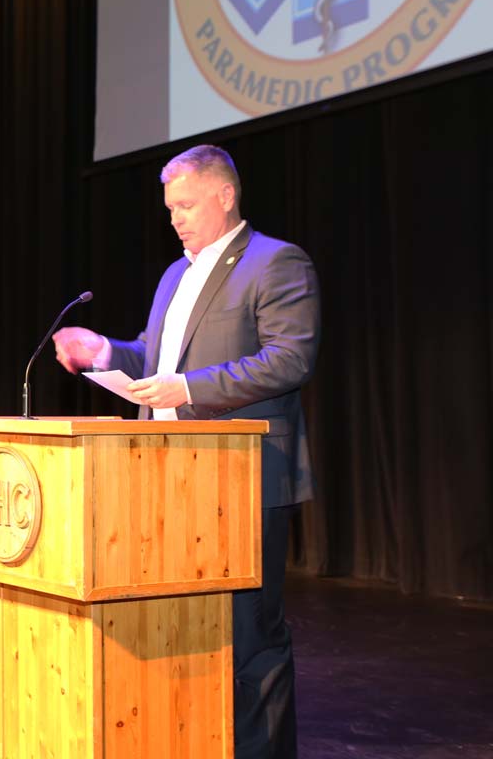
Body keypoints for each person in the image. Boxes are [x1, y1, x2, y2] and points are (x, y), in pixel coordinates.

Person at [53, 144, 319, 759]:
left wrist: (191, 389)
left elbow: (290, 358)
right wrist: (103, 352)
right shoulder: (175, 274)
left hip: (244, 475)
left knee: (251, 636)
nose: (176, 219)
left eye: (188, 205)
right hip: (168, 477)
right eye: (170, 208)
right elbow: (155, 358)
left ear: (226, 196)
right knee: (188, 632)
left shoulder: (277, 263)